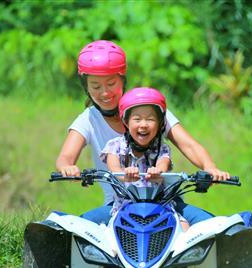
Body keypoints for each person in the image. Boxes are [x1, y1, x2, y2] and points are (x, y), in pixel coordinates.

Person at [55, 40, 229, 224]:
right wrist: (68, 167)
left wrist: (210, 168)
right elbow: (65, 156)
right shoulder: (88, 120)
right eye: (96, 86)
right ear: (86, 88)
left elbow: (188, 145)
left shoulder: (151, 108)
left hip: (166, 201)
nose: (105, 93)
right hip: (118, 204)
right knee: (71, 230)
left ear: (123, 80)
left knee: (213, 226)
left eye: (111, 83)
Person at [100, 87, 190, 230]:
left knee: (184, 227)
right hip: (125, 209)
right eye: (137, 119)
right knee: (110, 237)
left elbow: (163, 164)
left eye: (150, 119)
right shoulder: (114, 146)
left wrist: (157, 172)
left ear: (160, 124)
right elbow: (114, 170)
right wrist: (125, 176)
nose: (143, 124)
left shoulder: (163, 148)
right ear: (126, 122)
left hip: (160, 207)